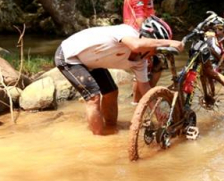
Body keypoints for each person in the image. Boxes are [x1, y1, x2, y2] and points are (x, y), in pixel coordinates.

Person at [55, 16, 183, 136]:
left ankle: (111, 128)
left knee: (111, 92)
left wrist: (159, 115)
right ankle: (98, 140)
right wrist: (169, 42)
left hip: (92, 61)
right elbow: (136, 45)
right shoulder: (127, 32)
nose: (155, 53)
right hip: (69, 56)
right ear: (147, 40)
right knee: (93, 98)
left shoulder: (141, 62)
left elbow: (145, 89)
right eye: (155, 48)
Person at [123, 0, 167, 92]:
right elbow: (139, 15)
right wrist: (147, 39)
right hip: (139, 34)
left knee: (145, 71)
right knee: (154, 66)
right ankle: (144, 102)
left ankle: (141, 102)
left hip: (136, 33)